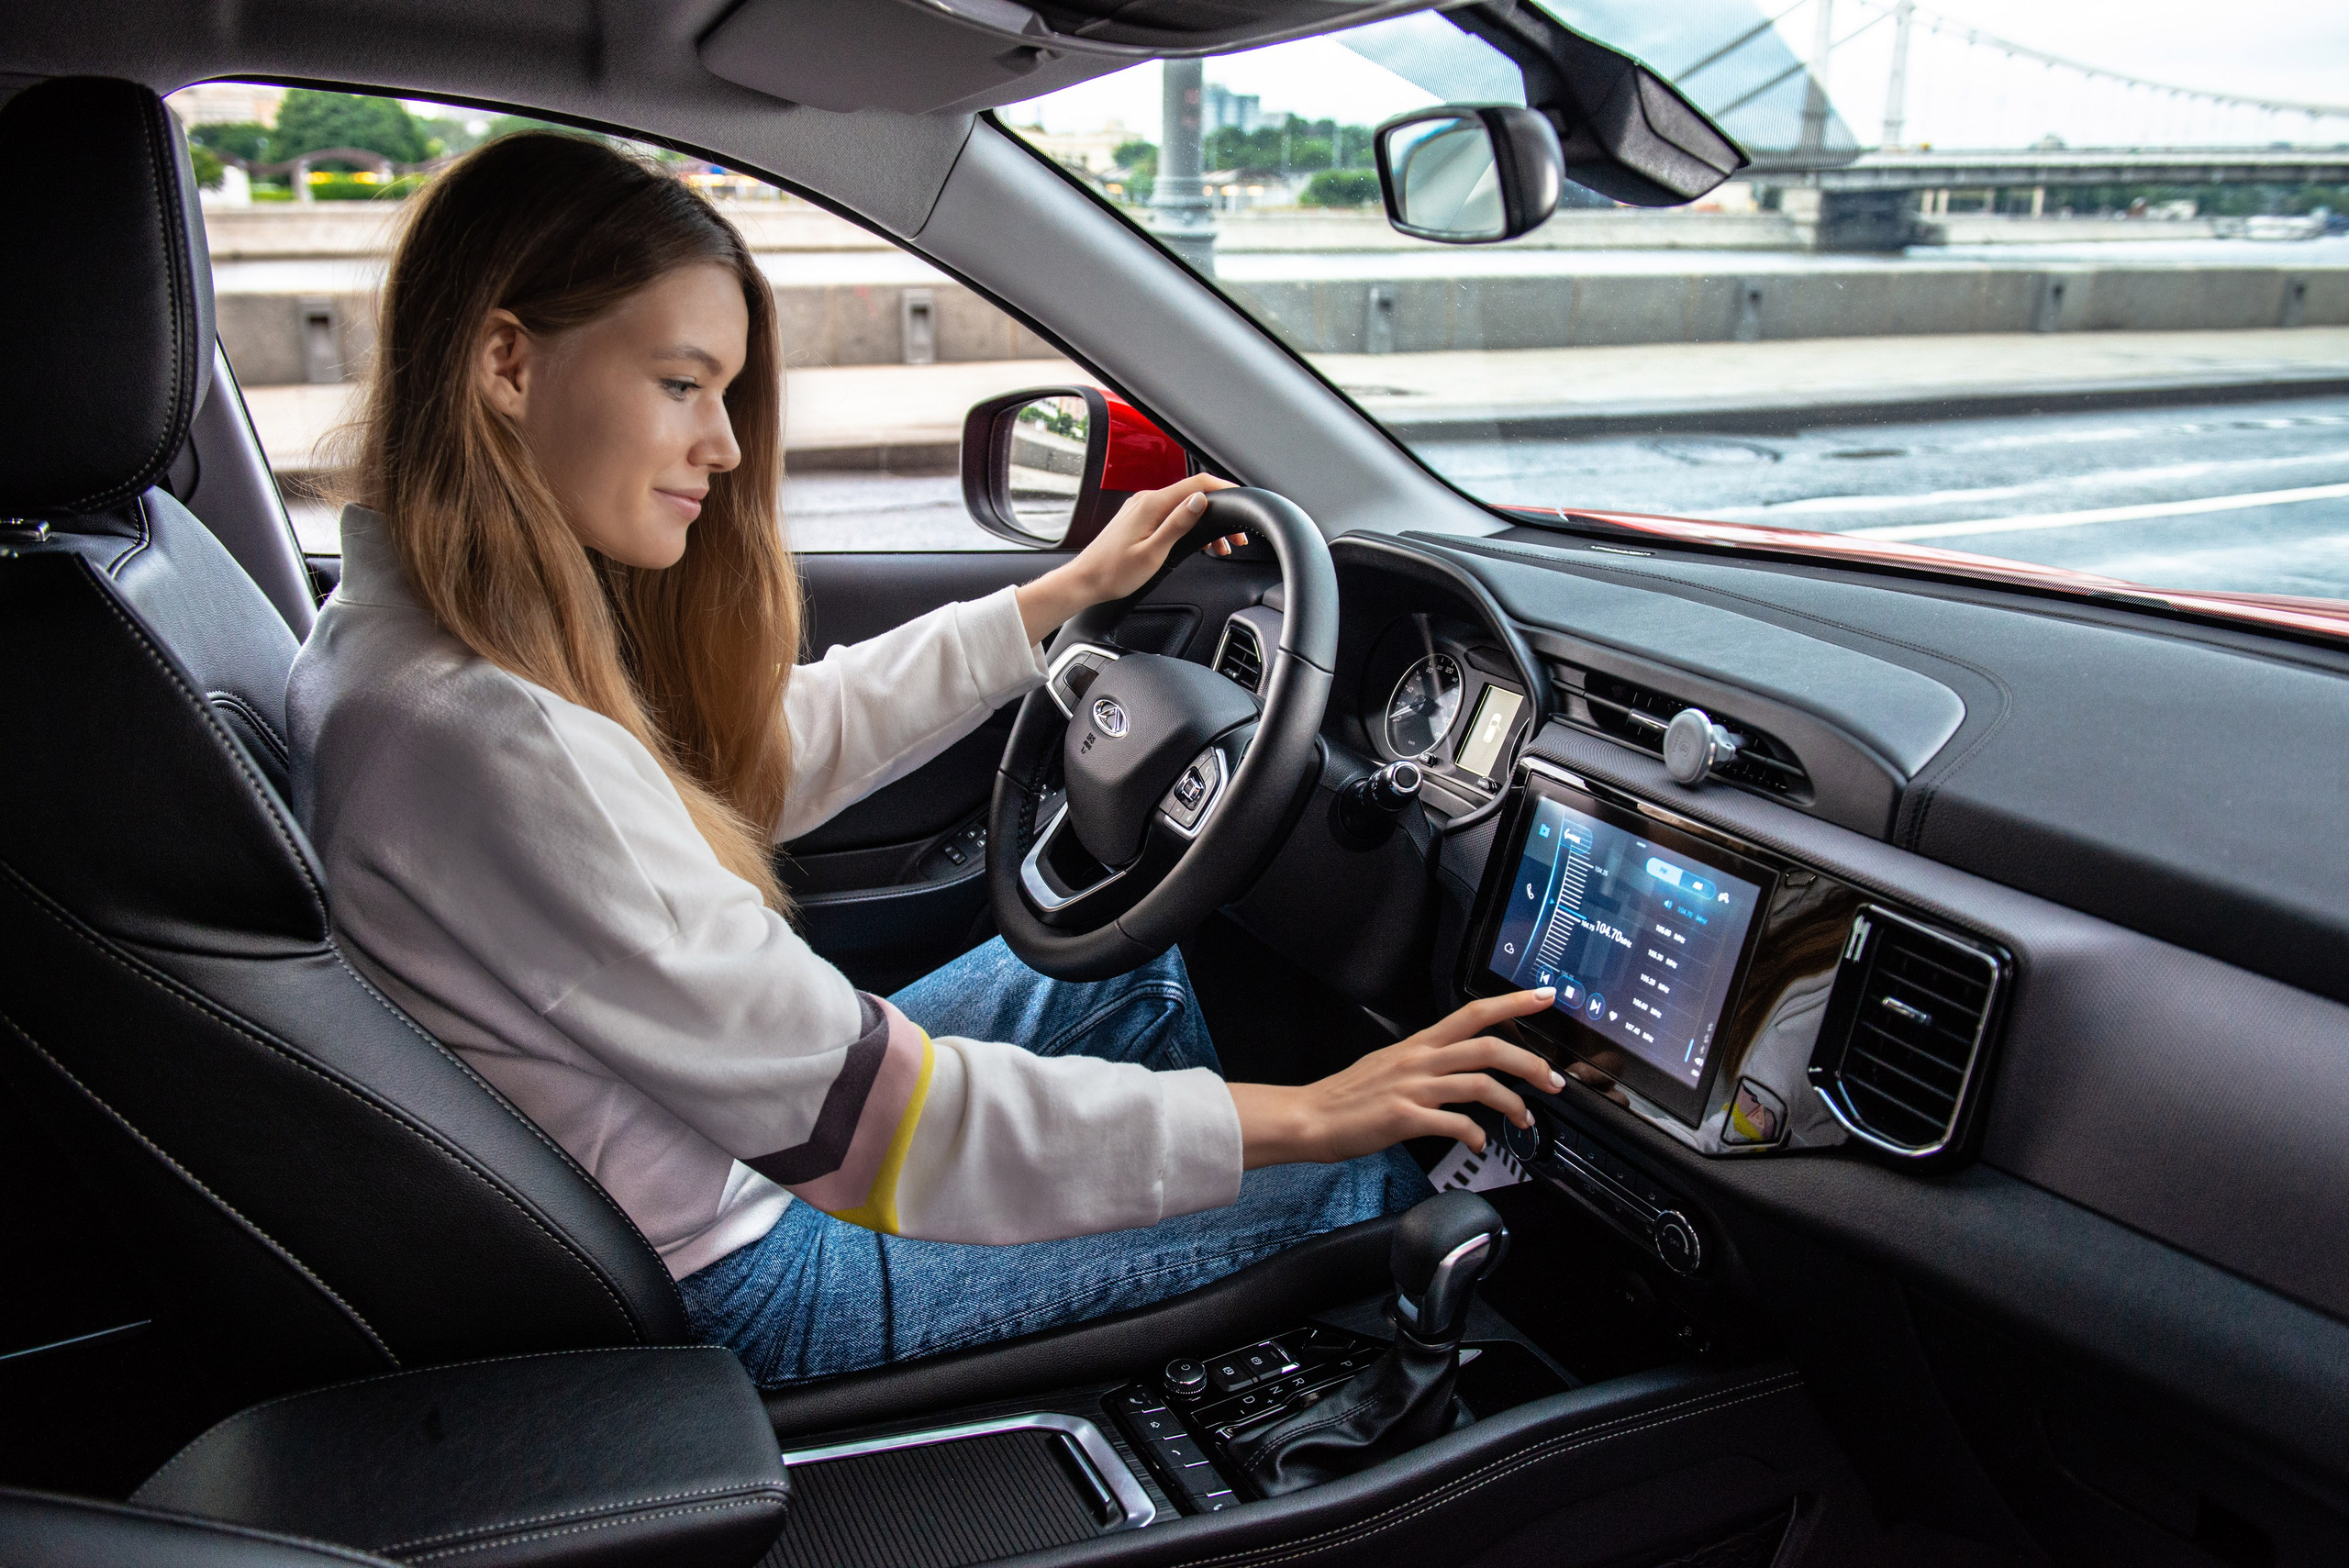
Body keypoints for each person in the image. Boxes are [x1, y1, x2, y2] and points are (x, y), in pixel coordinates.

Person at [287, 132, 1561, 1387]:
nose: (726, 447)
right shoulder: (494, 739)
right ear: (508, 363)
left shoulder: (399, 649)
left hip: (705, 1158)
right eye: (683, 384)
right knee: (1359, 1179)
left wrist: (1060, 600)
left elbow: (756, 760)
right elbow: (899, 1129)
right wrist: (1321, 1114)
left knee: (1136, 977)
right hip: (748, 1272)